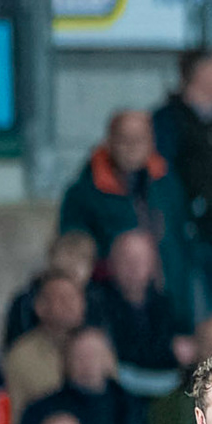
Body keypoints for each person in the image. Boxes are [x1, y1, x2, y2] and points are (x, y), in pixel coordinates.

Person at [60, 109, 193, 305]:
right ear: (109, 141)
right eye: (124, 139)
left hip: (166, 295)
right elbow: (74, 249)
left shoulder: (167, 185)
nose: (132, 147)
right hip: (109, 299)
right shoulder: (84, 193)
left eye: (140, 139)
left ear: (152, 142)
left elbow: (179, 242)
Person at [152, 50, 212, 320]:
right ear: (200, 73)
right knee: (189, 316)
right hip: (185, 236)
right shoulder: (168, 121)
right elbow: (162, 180)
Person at [13, 328, 146, 424]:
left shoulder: (129, 405)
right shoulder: (42, 409)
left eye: (95, 354)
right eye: (80, 356)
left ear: (109, 358)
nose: (88, 363)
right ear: (66, 361)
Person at [2, 271, 95, 424]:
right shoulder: (20, 357)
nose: (71, 304)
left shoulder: (98, 348)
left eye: (75, 297)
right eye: (62, 298)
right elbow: (14, 421)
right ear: (40, 307)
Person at [87, 230, 185, 371]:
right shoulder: (95, 301)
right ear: (112, 264)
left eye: (140, 261)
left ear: (152, 266)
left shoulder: (165, 304)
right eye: (126, 260)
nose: (133, 268)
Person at [5, 231, 96, 349]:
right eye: (68, 256)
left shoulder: (97, 301)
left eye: (82, 259)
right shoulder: (26, 302)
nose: (73, 265)